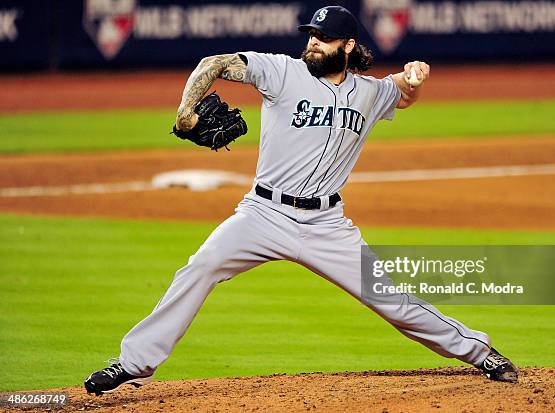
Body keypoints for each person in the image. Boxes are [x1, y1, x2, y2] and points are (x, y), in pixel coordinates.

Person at [84, 5, 518, 395]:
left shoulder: (368, 92)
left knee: (390, 298)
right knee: (200, 268)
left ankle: (480, 352)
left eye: (323, 36)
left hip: (327, 226)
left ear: (347, 45)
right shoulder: (281, 71)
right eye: (310, 33)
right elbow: (213, 64)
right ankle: (132, 363)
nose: (313, 41)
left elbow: (401, 92)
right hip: (262, 214)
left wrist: (415, 79)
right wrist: (185, 112)